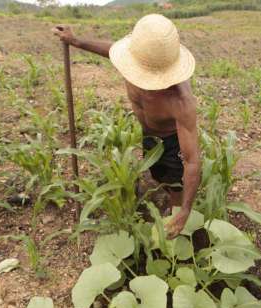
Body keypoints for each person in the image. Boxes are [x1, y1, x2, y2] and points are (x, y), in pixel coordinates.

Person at [53, 14, 201, 239]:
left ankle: (175, 218)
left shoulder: (181, 101)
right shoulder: (131, 62)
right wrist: (77, 41)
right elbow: (111, 50)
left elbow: (191, 161)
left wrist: (187, 210)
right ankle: (164, 193)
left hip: (171, 138)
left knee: (175, 180)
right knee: (157, 172)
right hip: (148, 132)